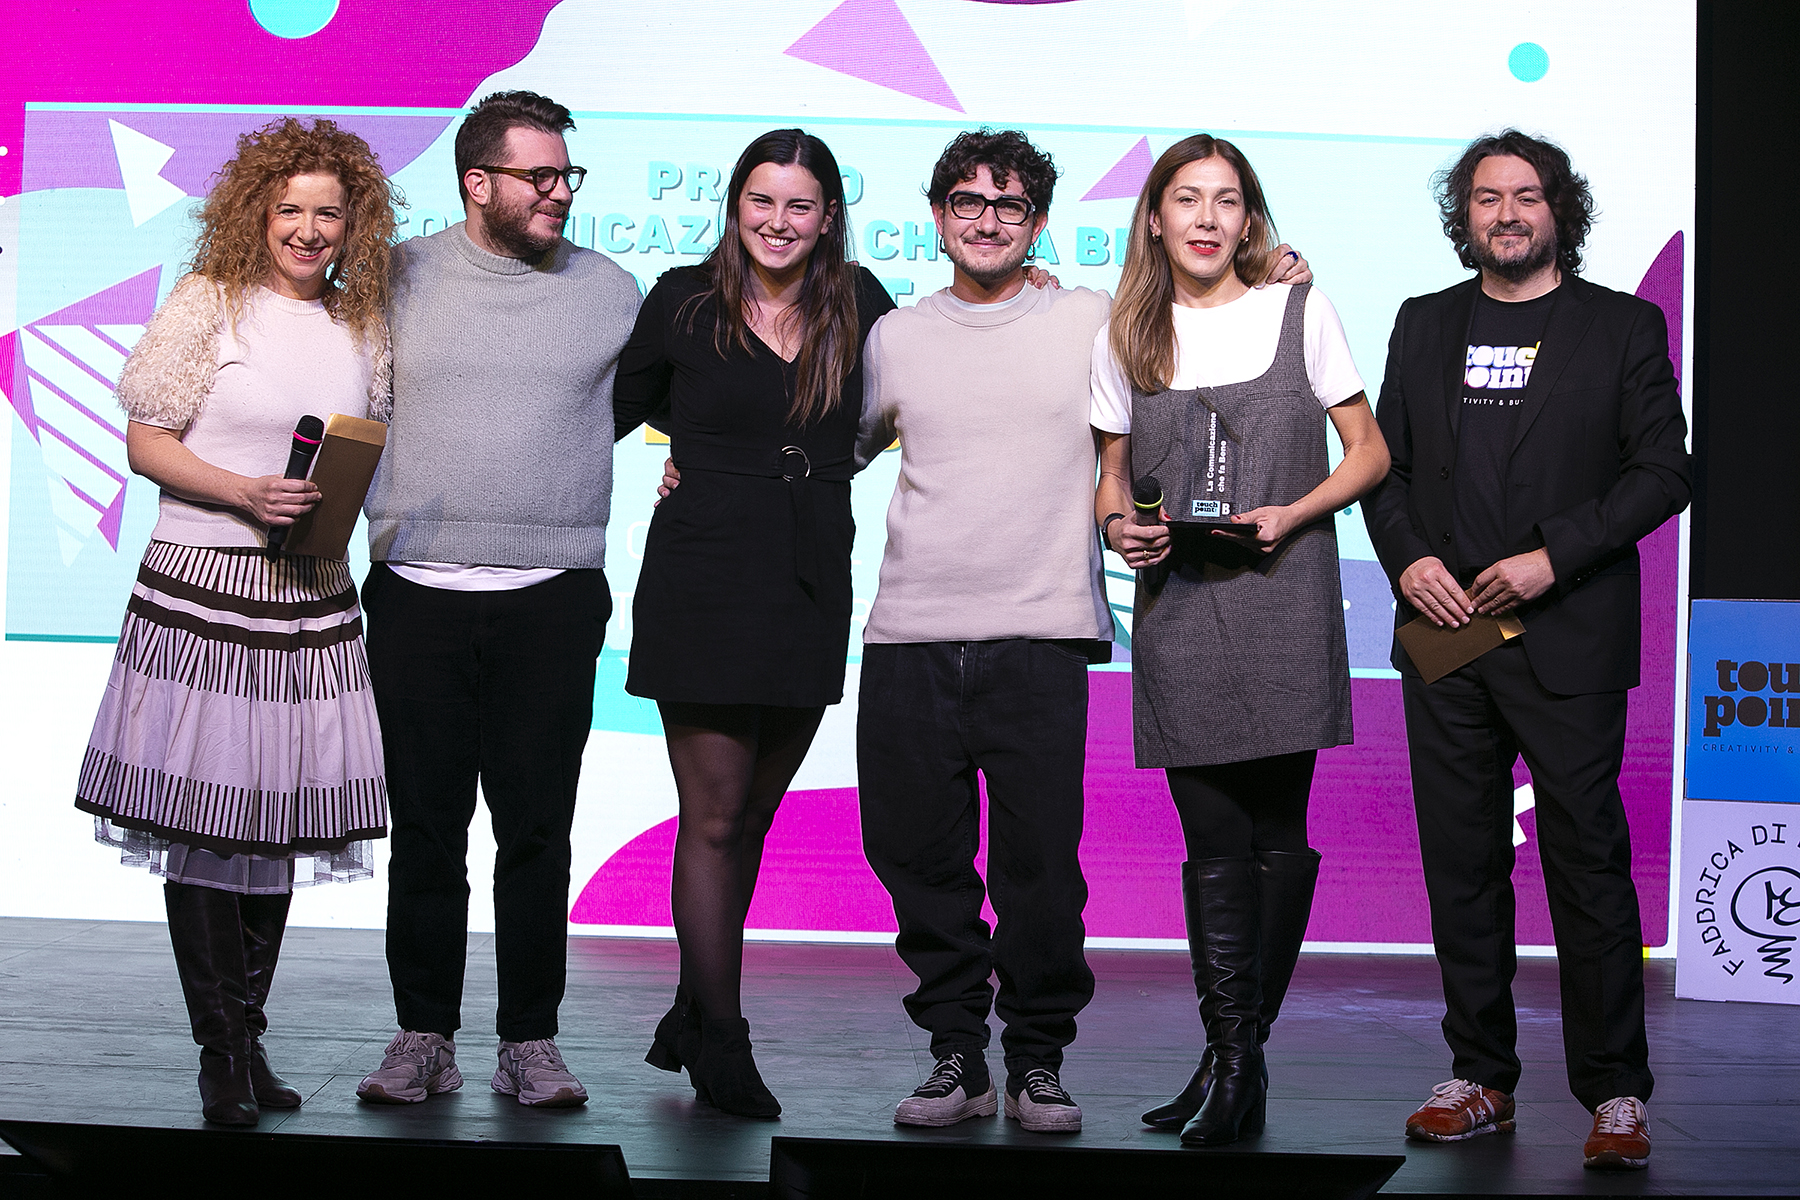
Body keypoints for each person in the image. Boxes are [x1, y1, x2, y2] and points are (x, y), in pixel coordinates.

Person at [1362, 130, 1689, 1171]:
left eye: (1527, 196)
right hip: (1447, 631)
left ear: (1560, 210)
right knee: (1463, 865)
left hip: (1567, 630)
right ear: (1464, 217)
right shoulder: (1423, 323)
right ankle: (1480, 1078)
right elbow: (1383, 468)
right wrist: (1409, 560)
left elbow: (1665, 470)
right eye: (1487, 198)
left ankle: (1617, 1093)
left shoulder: (1623, 326)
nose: (1507, 213)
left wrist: (1556, 557)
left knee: (1587, 864)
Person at [75, 117, 396, 1125]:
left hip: (309, 595)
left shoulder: (361, 325)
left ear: (353, 225)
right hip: (204, 588)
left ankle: (247, 1041)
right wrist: (245, 493)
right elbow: (145, 443)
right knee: (209, 824)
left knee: (273, 825)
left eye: (328, 212)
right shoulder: (208, 303)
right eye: (289, 208)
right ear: (256, 212)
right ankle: (220, 1055)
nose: (307, 229)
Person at [1091, 134, 1389, 1146]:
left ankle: (1234, 1062)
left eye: (1227, 200)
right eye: (1187, 198)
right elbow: (1110, 472)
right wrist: (1116, 527)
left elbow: (1370, 452)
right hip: (1180, 606)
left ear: (1249, 219)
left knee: (1276, 838)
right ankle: (1233, 1062)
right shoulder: (1124, 335)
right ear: (1156, 218)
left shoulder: (1299, 310)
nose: (1207, 218)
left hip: (1284, 596)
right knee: (1212, 840)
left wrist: (1295, 512)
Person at [355, 91, 640, 1109]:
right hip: (415, 593)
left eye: (567, 175)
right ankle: (423, 1035)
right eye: (540, 176)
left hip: (553, 597)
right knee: (425, 832)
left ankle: (530, 1040)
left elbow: (679, 388)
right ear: (477, 182)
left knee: (536, 832)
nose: (560, 192)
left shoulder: (611, 290)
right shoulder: (394, 277)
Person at [613, 128, 895, 1118]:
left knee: (754, 819)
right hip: (702, 571)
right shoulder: (683, 299)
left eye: (799, 205)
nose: (778, 222)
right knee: (716, 817)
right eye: (761, 201)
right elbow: (603, 412)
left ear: (829, 216)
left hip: (809, 570)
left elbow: (907, 403)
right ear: (735, 205)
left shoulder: (861, 302)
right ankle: (723, 1042)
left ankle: (693, 1009)